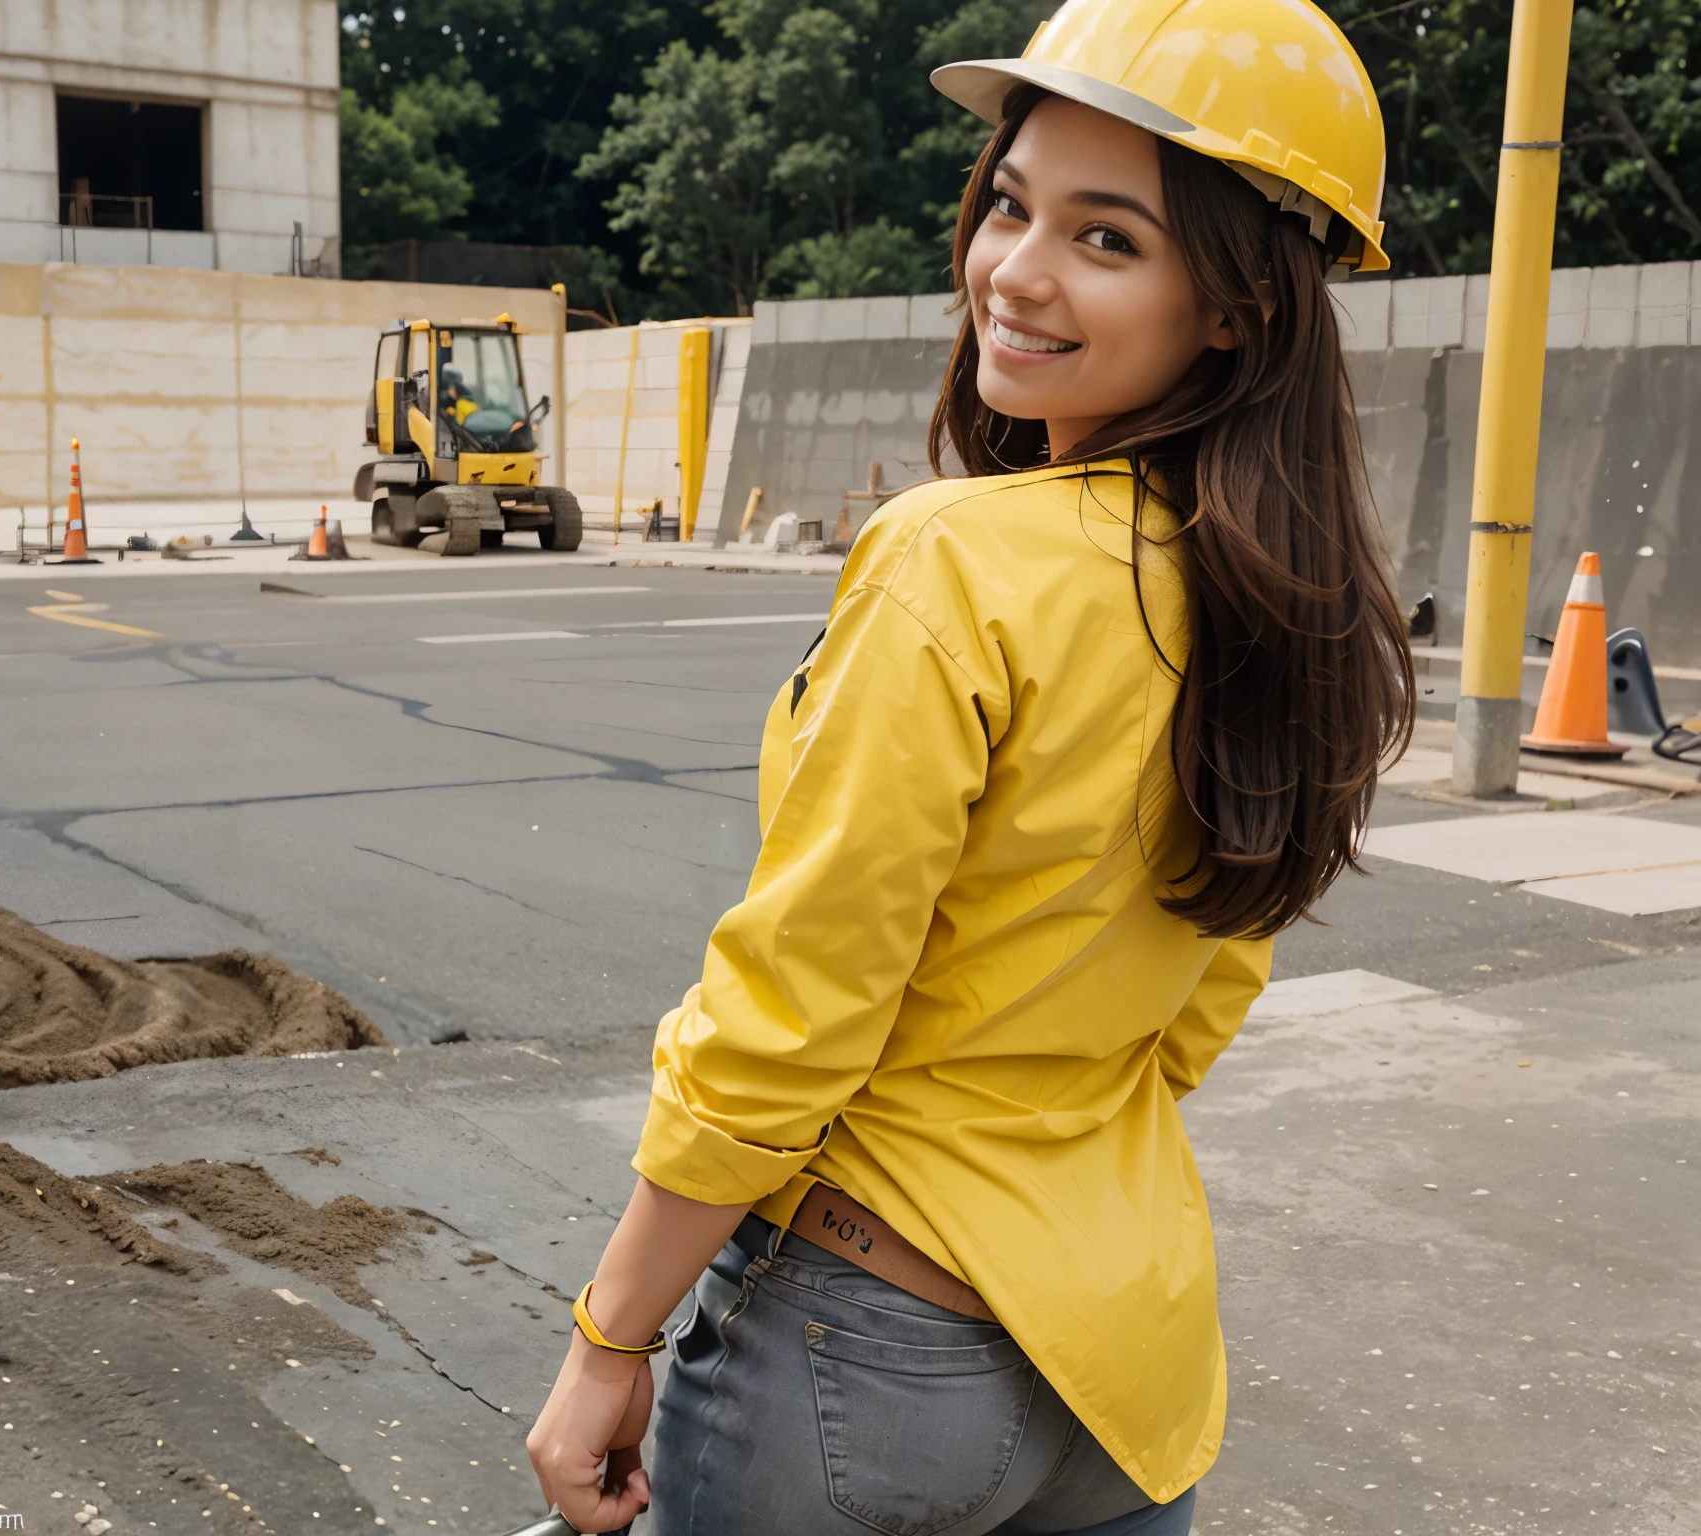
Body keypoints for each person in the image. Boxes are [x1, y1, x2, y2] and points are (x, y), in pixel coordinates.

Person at [526, 0, 1414, 1530]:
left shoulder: (955, 559)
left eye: (1108, 237)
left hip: (862, 1354)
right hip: (1125, 1373)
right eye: (1010, 203)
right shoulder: (1294, 597)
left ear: (1239, 306)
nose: (1015, 269)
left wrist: (610, 1336)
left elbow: (788, 1018)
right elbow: (1206, 988)